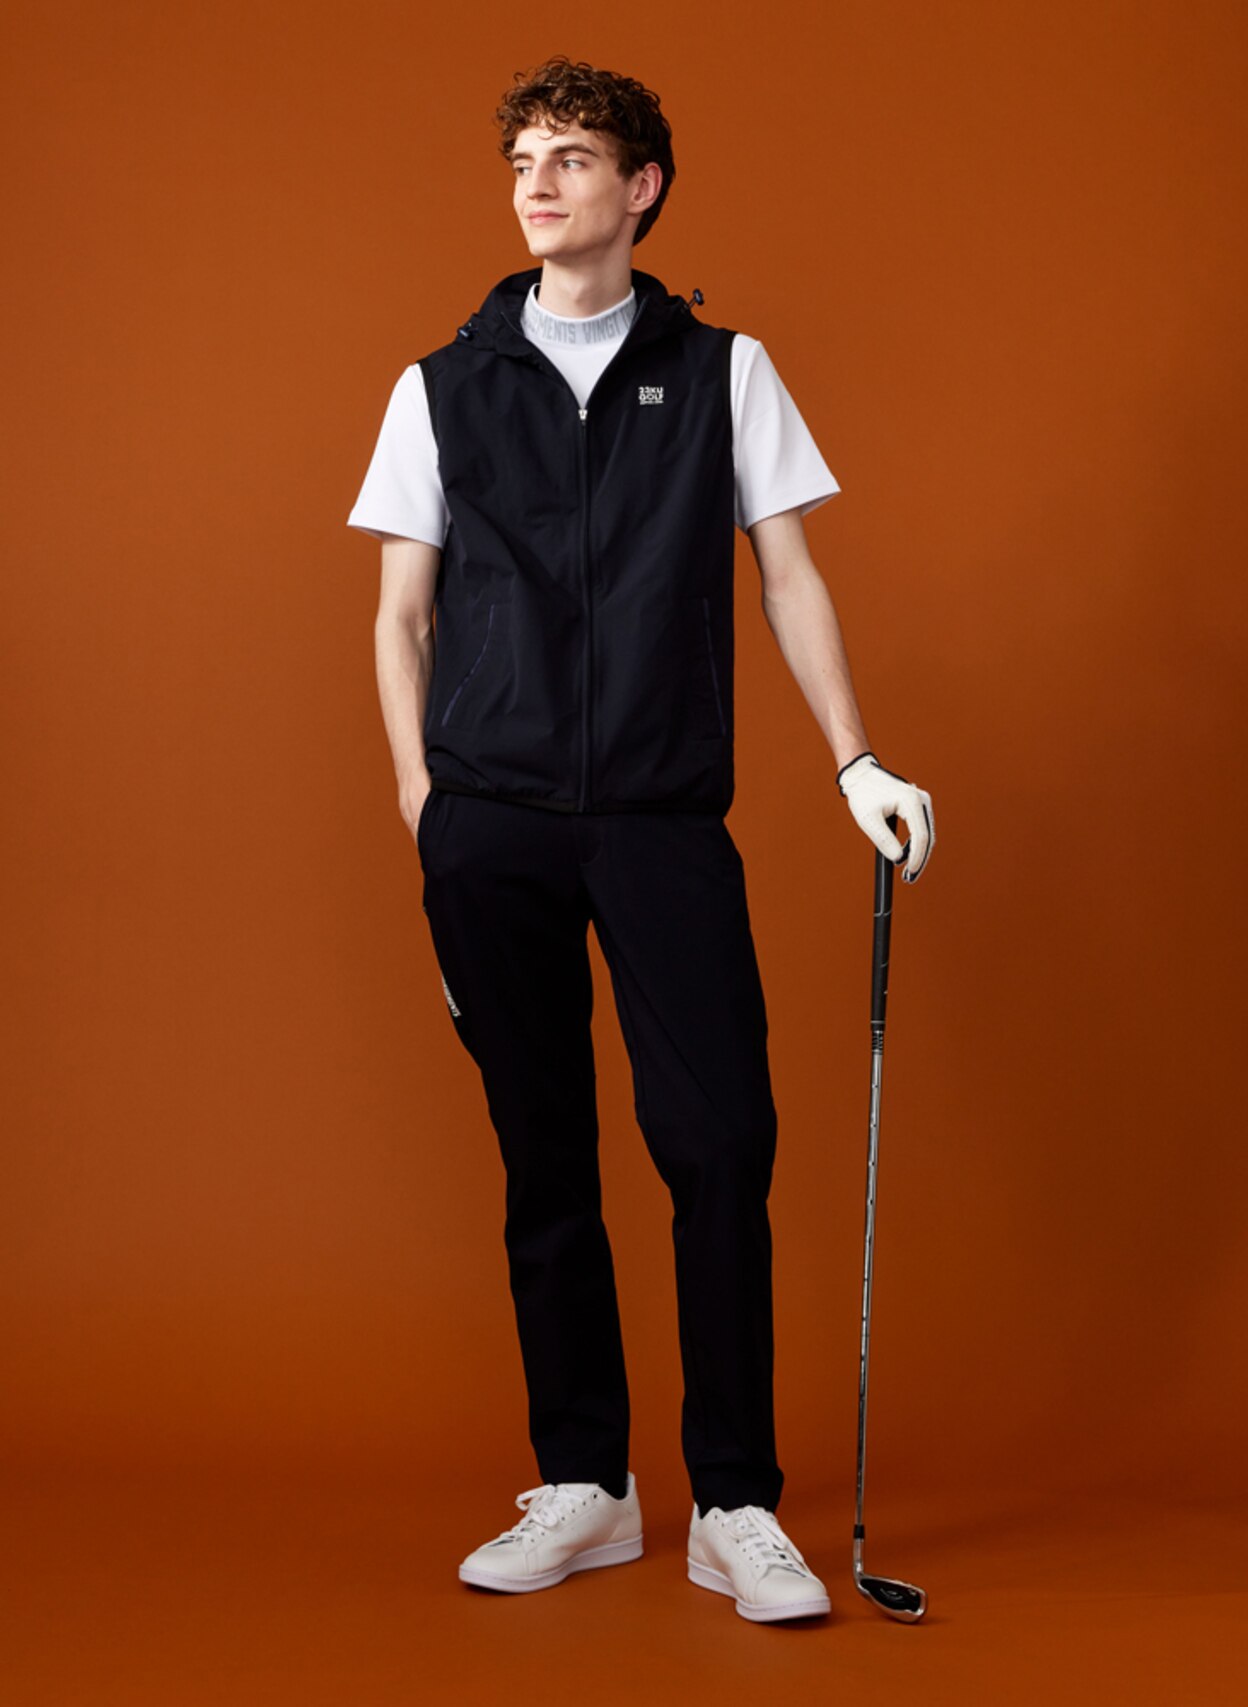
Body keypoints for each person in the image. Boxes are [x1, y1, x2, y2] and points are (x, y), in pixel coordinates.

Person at [347, 54, 935, 1625]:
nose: (538, 184)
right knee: (544, 1155)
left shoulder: (725, 372)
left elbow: (788, 577)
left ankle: (735, 1501)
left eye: (572, 158)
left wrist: (855, 759)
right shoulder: (441, 387)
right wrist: (423, 804)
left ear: (641, 186)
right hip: (491, 826)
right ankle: (589, 1487)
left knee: (719, 1145)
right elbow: (400, 617)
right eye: (523, 160)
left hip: (665, 821)